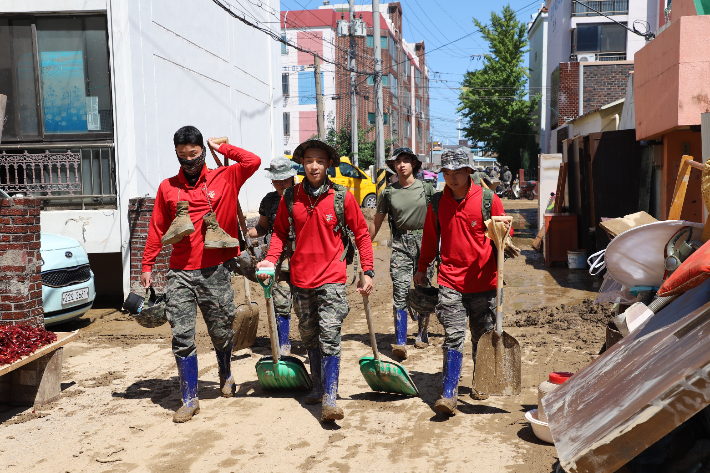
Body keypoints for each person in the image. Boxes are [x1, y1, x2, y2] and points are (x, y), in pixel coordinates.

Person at [141, 126, 260, 423]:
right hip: (180, 272)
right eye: (182, 155)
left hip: (215, 271)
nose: (188, 160)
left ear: (202, 152)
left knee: (221, 331)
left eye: (193, 154)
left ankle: (225, 372)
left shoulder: (226, 177)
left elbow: (253, 162)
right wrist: (147, 265)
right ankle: (189, 398)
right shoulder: (168, 187)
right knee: (182, 335)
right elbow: (156, 227)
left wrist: (223, 148)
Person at [256, 139, 374, 423]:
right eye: (309, 160)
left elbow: (362, 234)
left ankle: (331, 398)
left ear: (328, 164)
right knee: (309, 334)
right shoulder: (289, 198)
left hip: (332, 278)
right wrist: (270, 261)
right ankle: (319, 385)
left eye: (320, 160)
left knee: (330, 334)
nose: (314, 166)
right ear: (302, 164)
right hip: (300, 278)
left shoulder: (342, 197)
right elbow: (280, 234)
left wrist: (367, 270)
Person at [414, 148, 511, 415]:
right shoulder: (436, 203)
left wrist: (504, 236)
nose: (452, 178)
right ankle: (449, 392)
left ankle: (481, 380)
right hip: (450, 280)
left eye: (458, 172)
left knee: (482, 335)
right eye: (447, 173)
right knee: (453, 336)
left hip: (484, 281)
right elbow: (430, 239)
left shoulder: (488, 199)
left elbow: (504, 232)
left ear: (469, 171)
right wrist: (422, 267)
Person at [370, 147, 434, 360]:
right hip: (400, 244)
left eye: (406, 160)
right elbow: (376, 222)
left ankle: (422, 333)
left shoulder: (427, 189)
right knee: (400, 291)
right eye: (398, 161)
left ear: (414, 164)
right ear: (394, 166)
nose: (402, 164)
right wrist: (363, 245)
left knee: (423, 289)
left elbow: (443, 217)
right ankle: (400, 340)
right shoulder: (388, 192)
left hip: (425, 242)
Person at [248, 157, 297, 356]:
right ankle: (283, 344)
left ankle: (315, 344)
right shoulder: (269, 201)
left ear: (292, 178)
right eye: (275, 180)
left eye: (283, 179)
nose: (279, 183)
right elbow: (262, 227)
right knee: (281, 300)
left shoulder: (302, 196)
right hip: (279, 257)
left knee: (307, 303)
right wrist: (244, 233)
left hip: (304, 257)